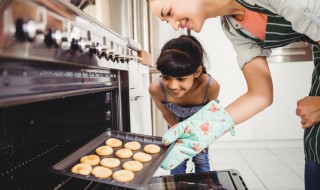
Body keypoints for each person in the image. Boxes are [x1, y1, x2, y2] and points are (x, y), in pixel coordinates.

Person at [147, 0, 320, 189]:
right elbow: (260, 94)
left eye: (170, 12)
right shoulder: (233, 28)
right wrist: (204, 129)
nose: (174, 25)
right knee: (315, 148)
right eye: (166, 21)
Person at [149, 35, 220, 174]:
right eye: (166, 77)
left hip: (201, 128)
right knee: (176, 161)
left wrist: (202, 139)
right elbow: (167, 113)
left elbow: (209, 115)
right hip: (175, 125)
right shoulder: (156, 89)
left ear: (197, 72)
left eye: (181, 78)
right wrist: (179, 136)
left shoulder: (210, 87)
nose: (173, 86)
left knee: (201, 159)